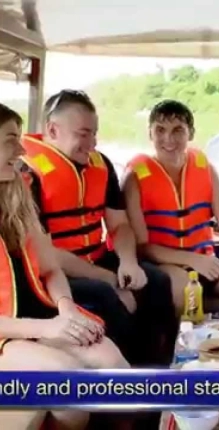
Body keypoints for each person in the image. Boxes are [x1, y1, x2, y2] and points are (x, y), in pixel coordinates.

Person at [20, 90, 178, 365]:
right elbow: (47, 256)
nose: (92, 143)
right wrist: (108, 278)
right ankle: (131, 377)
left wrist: (128, 263)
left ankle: (164, 361)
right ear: (52, 130)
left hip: (96, 256)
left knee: (157, 280)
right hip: (54, 274)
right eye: (83, 134)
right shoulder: (27, 174)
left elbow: (119, 225)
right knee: (106, 295)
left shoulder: (101, 164)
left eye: (94, 133)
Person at [0, 103, 128, 430]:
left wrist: (66, 311)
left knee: (116, 367)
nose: (22, 148)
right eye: (10, 140)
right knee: (72, 385)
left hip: (36, 322)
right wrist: (46, 329)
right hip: (6, 338)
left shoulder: (16, 198)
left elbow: (51, 270)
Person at [122, 100, 219, 314]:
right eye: (160, 130)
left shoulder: (205, 170)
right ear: (150, 134)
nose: (168, 139)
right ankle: (208, 324)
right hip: (162, 264)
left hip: (205, 259)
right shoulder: (134, 177)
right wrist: (192, 260)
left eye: (178, 130)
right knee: (187, 291)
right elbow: (142, 247)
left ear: (190, 133)